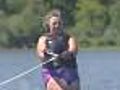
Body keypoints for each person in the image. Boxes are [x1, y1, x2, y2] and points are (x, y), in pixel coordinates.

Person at [36, 9, 80, 90]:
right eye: (54, 23)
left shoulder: (69, 38)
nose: (57, 25)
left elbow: (73, 50)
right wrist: (46, 54)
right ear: (48, 25)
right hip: (51, 72)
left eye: (59, 23)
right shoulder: (43, 39)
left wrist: (67, 54)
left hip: (70, 71)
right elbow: (41, 53)